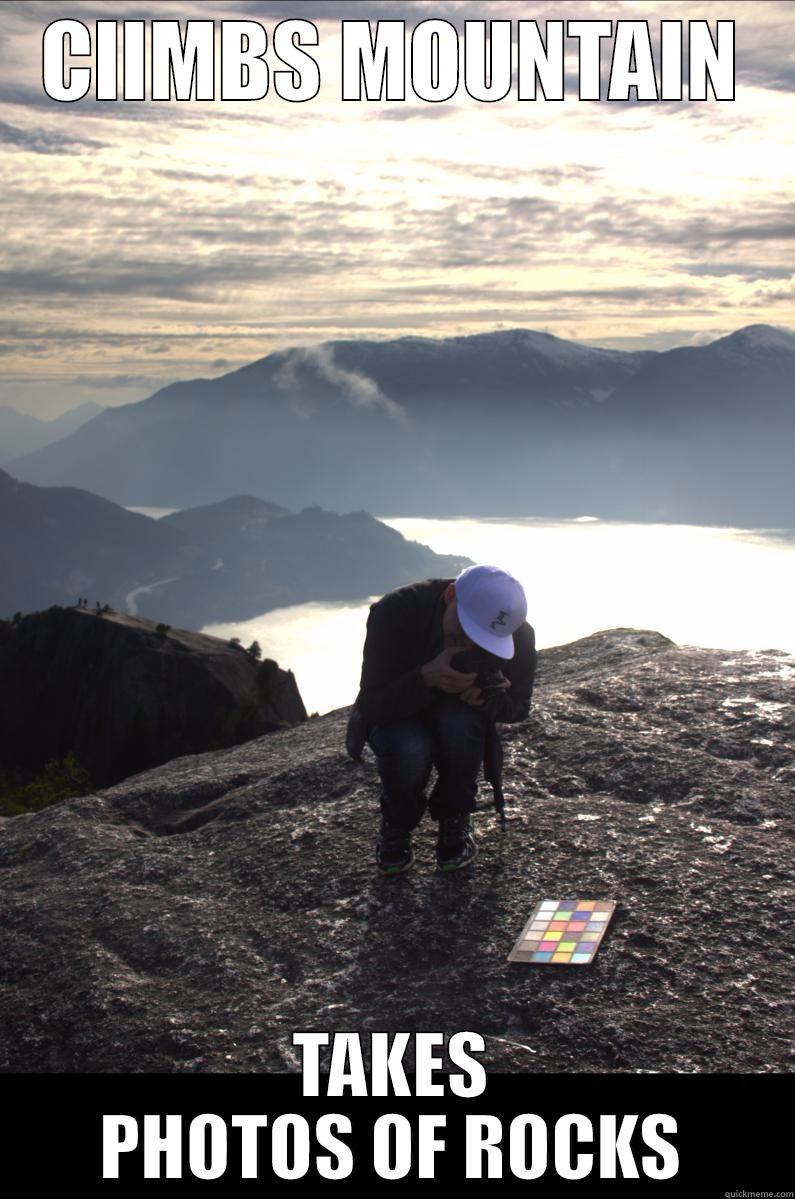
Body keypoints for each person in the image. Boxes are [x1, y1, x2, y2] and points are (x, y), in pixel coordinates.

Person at [348, 564, 537, 875]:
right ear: (450, 595)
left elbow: (518, 708)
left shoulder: (513, 632)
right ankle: (397, 822)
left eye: (482, 640)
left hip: (456, 714)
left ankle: (455, 815)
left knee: (459, 724)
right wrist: (426, 678)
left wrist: (490, 700)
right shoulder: (397, 611)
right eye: (463, 632)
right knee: (410, 747)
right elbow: (372, 706)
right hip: (398, 711)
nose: (468, 644)